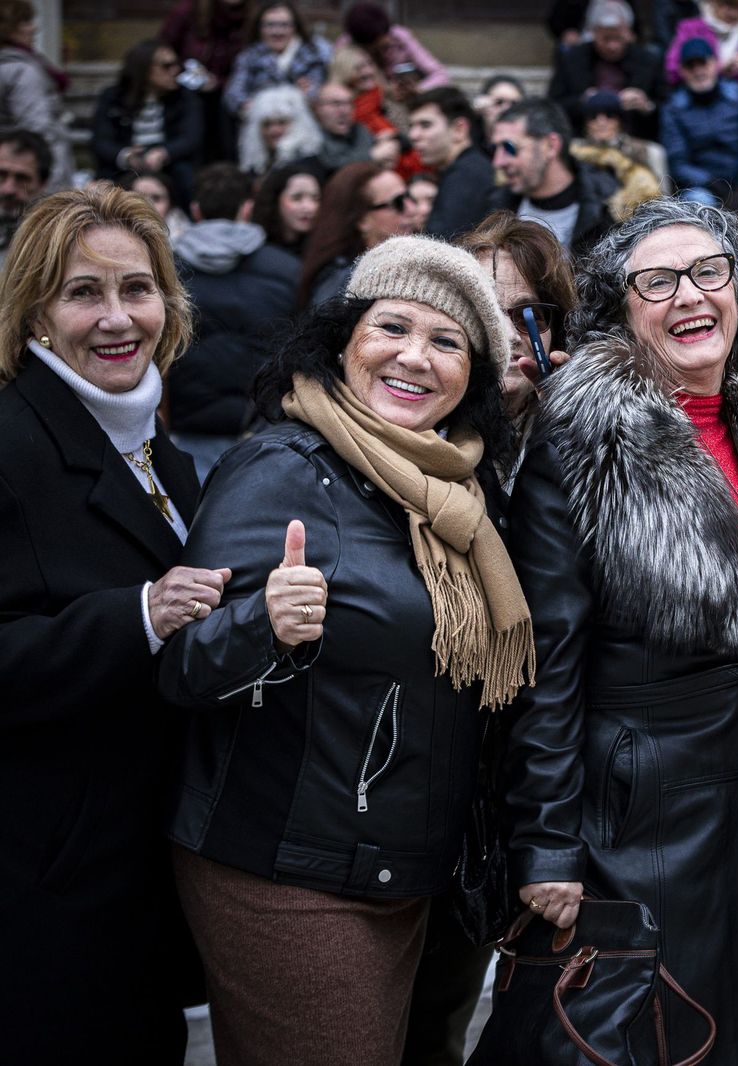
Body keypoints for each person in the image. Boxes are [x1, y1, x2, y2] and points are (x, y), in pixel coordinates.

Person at [160, 235, 529, 1066]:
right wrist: (265, 624)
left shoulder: (465, 488)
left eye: (447, 342)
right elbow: (180, 667)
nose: (414, 357)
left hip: (408, 868)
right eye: (391, 327)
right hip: (288, 871)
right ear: (343, 338)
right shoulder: (280, 466)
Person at [501, 197, 738, 1063]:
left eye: (708, 271)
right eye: (658, 281)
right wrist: (547, 843)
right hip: (637, 801)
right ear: (622, 308)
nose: (689, 294)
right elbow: (550, 656)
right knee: (642, 1029)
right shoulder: (579, 437)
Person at [0, 183, 207, 1065]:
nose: (118, 317)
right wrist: (139, 616)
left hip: (144, 868)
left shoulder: (161, 446)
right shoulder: (10, 441)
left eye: (138, 288)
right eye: (85, 292)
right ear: (36, 313)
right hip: (47, 881)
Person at [168, 162, 300, 477]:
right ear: (247, 208)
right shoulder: (286, 269)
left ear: (196, 210)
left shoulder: (166, 270)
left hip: (189, 421)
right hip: (261, 423)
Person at [459, 210, 578, 489]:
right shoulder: (423, 421)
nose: (510, 336)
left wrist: (572, 421)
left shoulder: (584, 429)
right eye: (488, 314)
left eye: (530, 315)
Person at [490, 99, 617, 251]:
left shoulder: (610, 213)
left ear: (551, 146)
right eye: (494, 148)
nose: (498, 162)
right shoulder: (494, 211)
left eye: (509, 148)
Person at [91, 40, 204, 205]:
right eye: (167, 66)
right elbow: (100, 141)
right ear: (144, 69)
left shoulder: (185, 97)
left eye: (176, 64)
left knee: (186, 176)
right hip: (125, 165)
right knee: (99, 188)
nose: (176, 70)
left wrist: (164, 153)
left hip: (169, 164)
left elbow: (191, 137)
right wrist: (126, 156)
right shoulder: (113, 97)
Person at [298, 160, 414, 308]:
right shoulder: (343, 283)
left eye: (408, 196)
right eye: (398, 203)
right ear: (362, 220)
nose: (411, 209)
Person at [546, 0, 667, 141]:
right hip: (582, 137)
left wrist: (646, 105)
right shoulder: (572, 59)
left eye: (618, 39)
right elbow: (554, 104)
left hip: (636, 137)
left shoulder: (648, 60)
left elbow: (666, 103)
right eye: (606, 39)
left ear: (629, 33)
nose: (612, 46)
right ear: (593, 33)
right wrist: (581, 101)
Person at [660, 38, 738, 206]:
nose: (698, 71)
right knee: (698, 202)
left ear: (715, 64)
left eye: (703, 63)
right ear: (682, 71)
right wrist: (710, 183)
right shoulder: (673, 108)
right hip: (702, 186)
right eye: (691, 66)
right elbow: (678, 162)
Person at [159, 0, 250, 163]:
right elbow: (162, 52)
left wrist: (219, 83)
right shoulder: (188, 11)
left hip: (232, 94)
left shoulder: (254, 14)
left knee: (229, 103)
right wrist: (185, 73)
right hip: (187, 89)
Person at [0, 0, 73, 192]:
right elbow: (41, 132)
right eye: (25, 21)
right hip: (30, 184)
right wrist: (54, 189)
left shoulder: (7, 66)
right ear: (7, 28)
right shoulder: (22, 71)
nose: (34, 28)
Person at [408, 87, 496, 240]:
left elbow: (441, 248)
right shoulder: (466, 170)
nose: (413, 135)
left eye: (425, 125)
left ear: (459, 129)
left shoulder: (466, 175)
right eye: (412, 126)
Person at [222, 2, 331, 119]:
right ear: (259, 28)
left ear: (295, 27)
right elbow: (233, 94)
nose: (277, 32)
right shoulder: (249, 56)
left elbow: (323, 91)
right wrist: (250, 106)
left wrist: (309, 93)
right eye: (269, 25)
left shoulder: (314, 54)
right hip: (263, 123)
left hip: (305, 122)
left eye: (284, 25)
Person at [326, 43, 409, 174]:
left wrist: (395, 138)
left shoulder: (385, 99)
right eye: (359, 68)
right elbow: (335, 158)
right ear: (344, 72)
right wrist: (375, 149)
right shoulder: (335, 111)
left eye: (370, 64)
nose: (368, 71)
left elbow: (408, 135)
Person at [340, 1, 450, 94]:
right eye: (377, 50)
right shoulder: (346, 47)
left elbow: (440, 75)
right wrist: (386, 92)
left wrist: (418, 90)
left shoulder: (399, 36)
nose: (384, 53)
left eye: (386, 47)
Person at [576, 89, 670, 194]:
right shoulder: (575, 152)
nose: (601, 122)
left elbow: (663, 197)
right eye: (593, 116)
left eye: (609, 115)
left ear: (620, 121)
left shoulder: (647, 151)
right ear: (586, 123)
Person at [666, 0, 738, 85]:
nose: (734, 13)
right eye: (729, 5)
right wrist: (720, 69)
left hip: (735, 92)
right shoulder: (690, 29)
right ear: (713, 3)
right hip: (697, 92)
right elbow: (672, 70)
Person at [237, 83, 322, 175]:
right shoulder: (255, 167)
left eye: (281, 122)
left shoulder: (308, 166)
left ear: (298, 125)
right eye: (267, 124)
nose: (274, 131)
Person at [252, 161, 321, 257]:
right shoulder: (253, 247)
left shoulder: (323, 251)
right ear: (275, 200)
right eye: (296, 198)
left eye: (315, 199)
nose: (309, 207)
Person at [0, 127, 46, 266]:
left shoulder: (48, 244)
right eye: (1, 175)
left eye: (21, 178)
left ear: (42, 184)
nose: (8, 190)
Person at [309, 79, 376, 171]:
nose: (345, 111)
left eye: (349, 104)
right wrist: (372, 156)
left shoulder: (359, 129)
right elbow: (332, 164)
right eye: (336, 104)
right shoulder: (311, 137)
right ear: (318, 108)